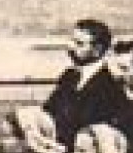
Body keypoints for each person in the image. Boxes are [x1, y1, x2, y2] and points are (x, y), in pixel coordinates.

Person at [43, 18, 124, 146]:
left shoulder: (109, 85)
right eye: (72, 41)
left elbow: (91, 129)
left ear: (97, 50)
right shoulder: (68, 76)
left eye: (79, 43)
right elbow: (48, 111)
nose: (70, 47)